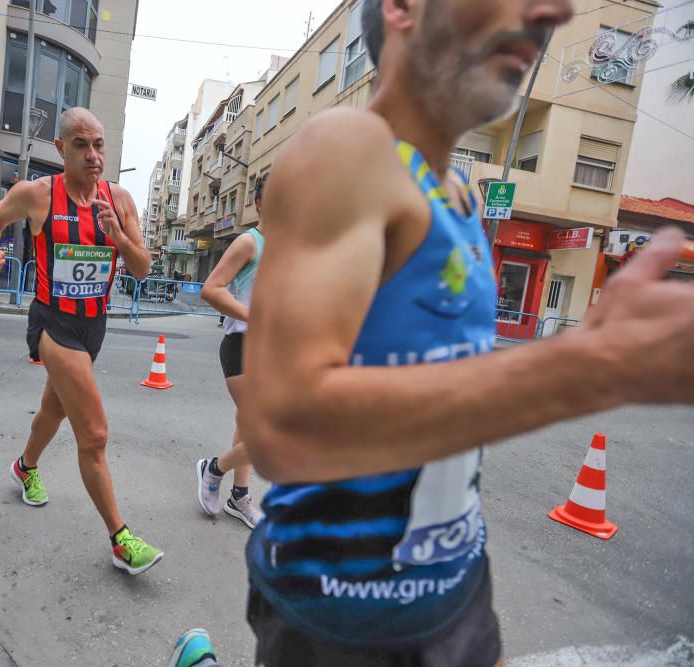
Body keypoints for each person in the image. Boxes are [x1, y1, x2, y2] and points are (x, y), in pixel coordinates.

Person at [239, 1, 694, 665]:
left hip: (459, 592)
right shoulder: (346, 147)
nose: (555, 10)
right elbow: (283, 430)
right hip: (340, 622)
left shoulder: (461, 193)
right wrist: (595, 365)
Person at [0, 107, 163, 576]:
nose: (93, 155)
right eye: (81, 145)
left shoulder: (120, 200)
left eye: (99, 144)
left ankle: (24, 466)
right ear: (61, 149)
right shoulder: (36, 195)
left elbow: (141, 268)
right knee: (94, 434)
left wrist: (118, 235)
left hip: (93, 325)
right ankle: (120, 539)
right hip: (53, 324)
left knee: (53, 411)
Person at [195, 174, 268, 530]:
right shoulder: (249, 242)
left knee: (247, 424)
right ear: (259, 203)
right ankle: (214, 469)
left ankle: (239, 496)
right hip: (242, 346)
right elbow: (211, 289)